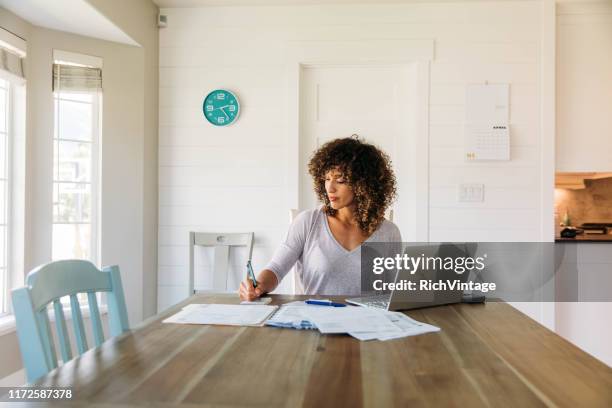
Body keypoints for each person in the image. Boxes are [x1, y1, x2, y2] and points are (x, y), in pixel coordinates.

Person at [239, 136, 401, 301]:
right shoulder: (308, 222)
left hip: (369, 322)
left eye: (340, 180)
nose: (330, 188)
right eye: (326, 179)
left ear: (364, 184)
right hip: (315, 321)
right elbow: (276, 269)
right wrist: (257, 285)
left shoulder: (388, 232)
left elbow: (392, 291)